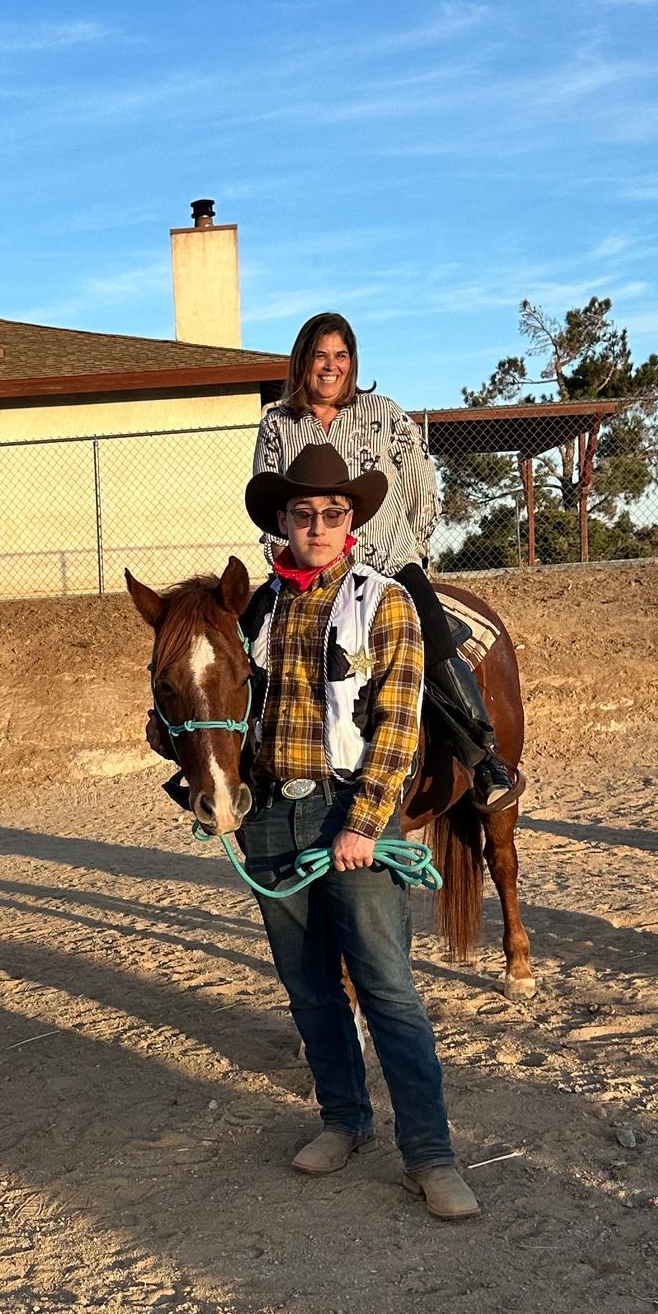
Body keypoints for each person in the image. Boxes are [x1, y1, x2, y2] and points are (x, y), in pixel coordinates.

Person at [235, 444, 479, 1221]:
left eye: (331, 514)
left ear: (352, 523)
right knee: (309, 990)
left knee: (386, 989)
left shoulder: (387, 604)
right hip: (272, 815)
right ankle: (343, 1119)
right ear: (281, 520)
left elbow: (398, 726)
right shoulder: (254, 611)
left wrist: (367, 822)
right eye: (302, 513)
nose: (316, 525)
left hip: (351, 814)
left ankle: (430, 1156)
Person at [251, 311, 517, 808]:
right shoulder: (276, 424)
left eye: (340, 356)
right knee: (249, 643)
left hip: (388, 558)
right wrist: (285, 559)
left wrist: (413, 545)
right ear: (302, 362)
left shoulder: (382, 412)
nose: (330, 367)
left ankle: (483, 758)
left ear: (352, 363)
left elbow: (420, 477)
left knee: (434, 638)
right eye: (320, 356)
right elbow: (269, 501)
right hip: (310, 568)